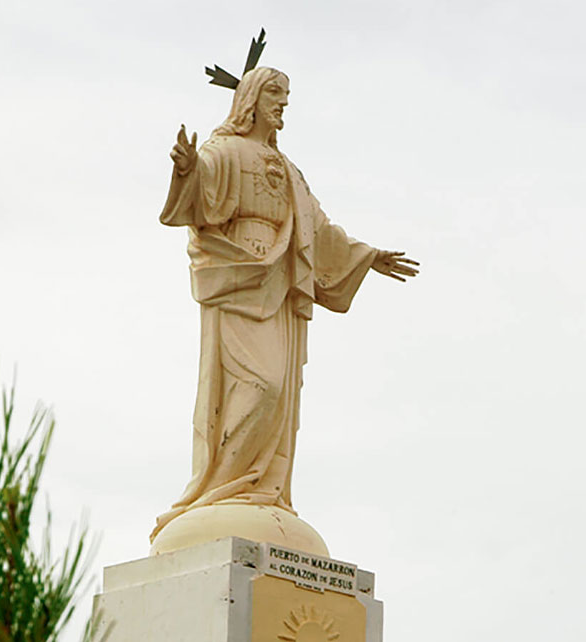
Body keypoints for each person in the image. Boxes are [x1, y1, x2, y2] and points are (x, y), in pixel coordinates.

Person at [150, 67, 418, 543]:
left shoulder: (291, 172)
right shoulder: (224, 151)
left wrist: (367, 255)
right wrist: (187, 170)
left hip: (281, 279)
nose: (283, 103)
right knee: (259, 385)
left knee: (281, 393)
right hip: (239, 275)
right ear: (250, 98)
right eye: (275, 93)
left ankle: (259, 489)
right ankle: (222, 489)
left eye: (286, 95)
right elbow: (199, 199)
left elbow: (319, 230)